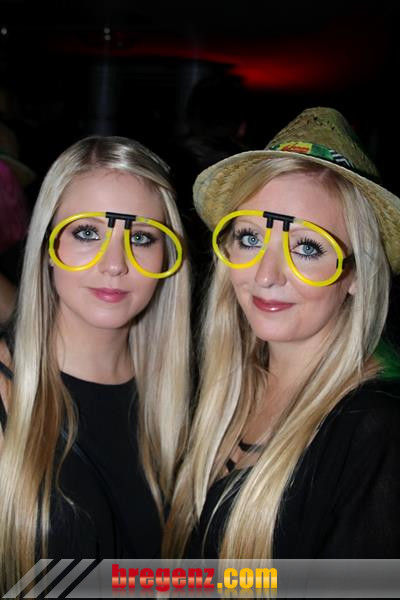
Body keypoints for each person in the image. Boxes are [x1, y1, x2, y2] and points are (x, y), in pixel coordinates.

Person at [163, 107, 400, 560]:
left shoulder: (373, 433)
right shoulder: (224, 390)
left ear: (356, 274)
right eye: (250, 238)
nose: (266, 275)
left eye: (307, 247)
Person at [0, 136, 190, 590]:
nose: (115, 263)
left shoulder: (191, 400)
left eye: (141, 237)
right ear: (47, 245)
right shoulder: (5, 398)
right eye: (87, 233)